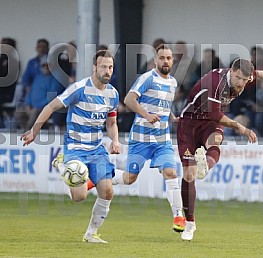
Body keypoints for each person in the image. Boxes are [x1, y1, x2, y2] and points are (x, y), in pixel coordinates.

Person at [177, 58, 263, 241]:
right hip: (189, 124)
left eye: (245, 80)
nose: (241, 83)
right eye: (238, 78)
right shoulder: (215, 83)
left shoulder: (245, 77)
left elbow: (260, 75)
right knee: (189, 175)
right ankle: (190, 222)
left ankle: (205, 165)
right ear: (231, 71)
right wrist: (241, 128)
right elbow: (215, 114)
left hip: (209, 124)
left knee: (214, 143)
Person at [21, 50, 120, 243]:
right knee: (79, 197)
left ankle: (91, 234)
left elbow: (111, 123)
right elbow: (50, 106)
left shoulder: (113, 94)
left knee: (108, 191)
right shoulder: (79, 88)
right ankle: (61, 164)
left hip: (97, 149)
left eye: (110, 67)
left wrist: (115, 140)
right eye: (103, 67)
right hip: (75, 147)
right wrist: (34, 130)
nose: (107, 71)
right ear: (94, 67)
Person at [111, 44, 186, 233]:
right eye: (162, 58)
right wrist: (146, 115)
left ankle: (178, 216)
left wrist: (172, 118)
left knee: (171, 173)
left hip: (162, 140)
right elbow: (129, 100)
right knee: (129, 179)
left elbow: (163, 105)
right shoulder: (147, 78)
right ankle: (100, 177)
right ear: (155, 60)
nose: (166, 61)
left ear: (172, 60)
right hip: (140, 138)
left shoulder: (173, 83)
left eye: (169, 58)